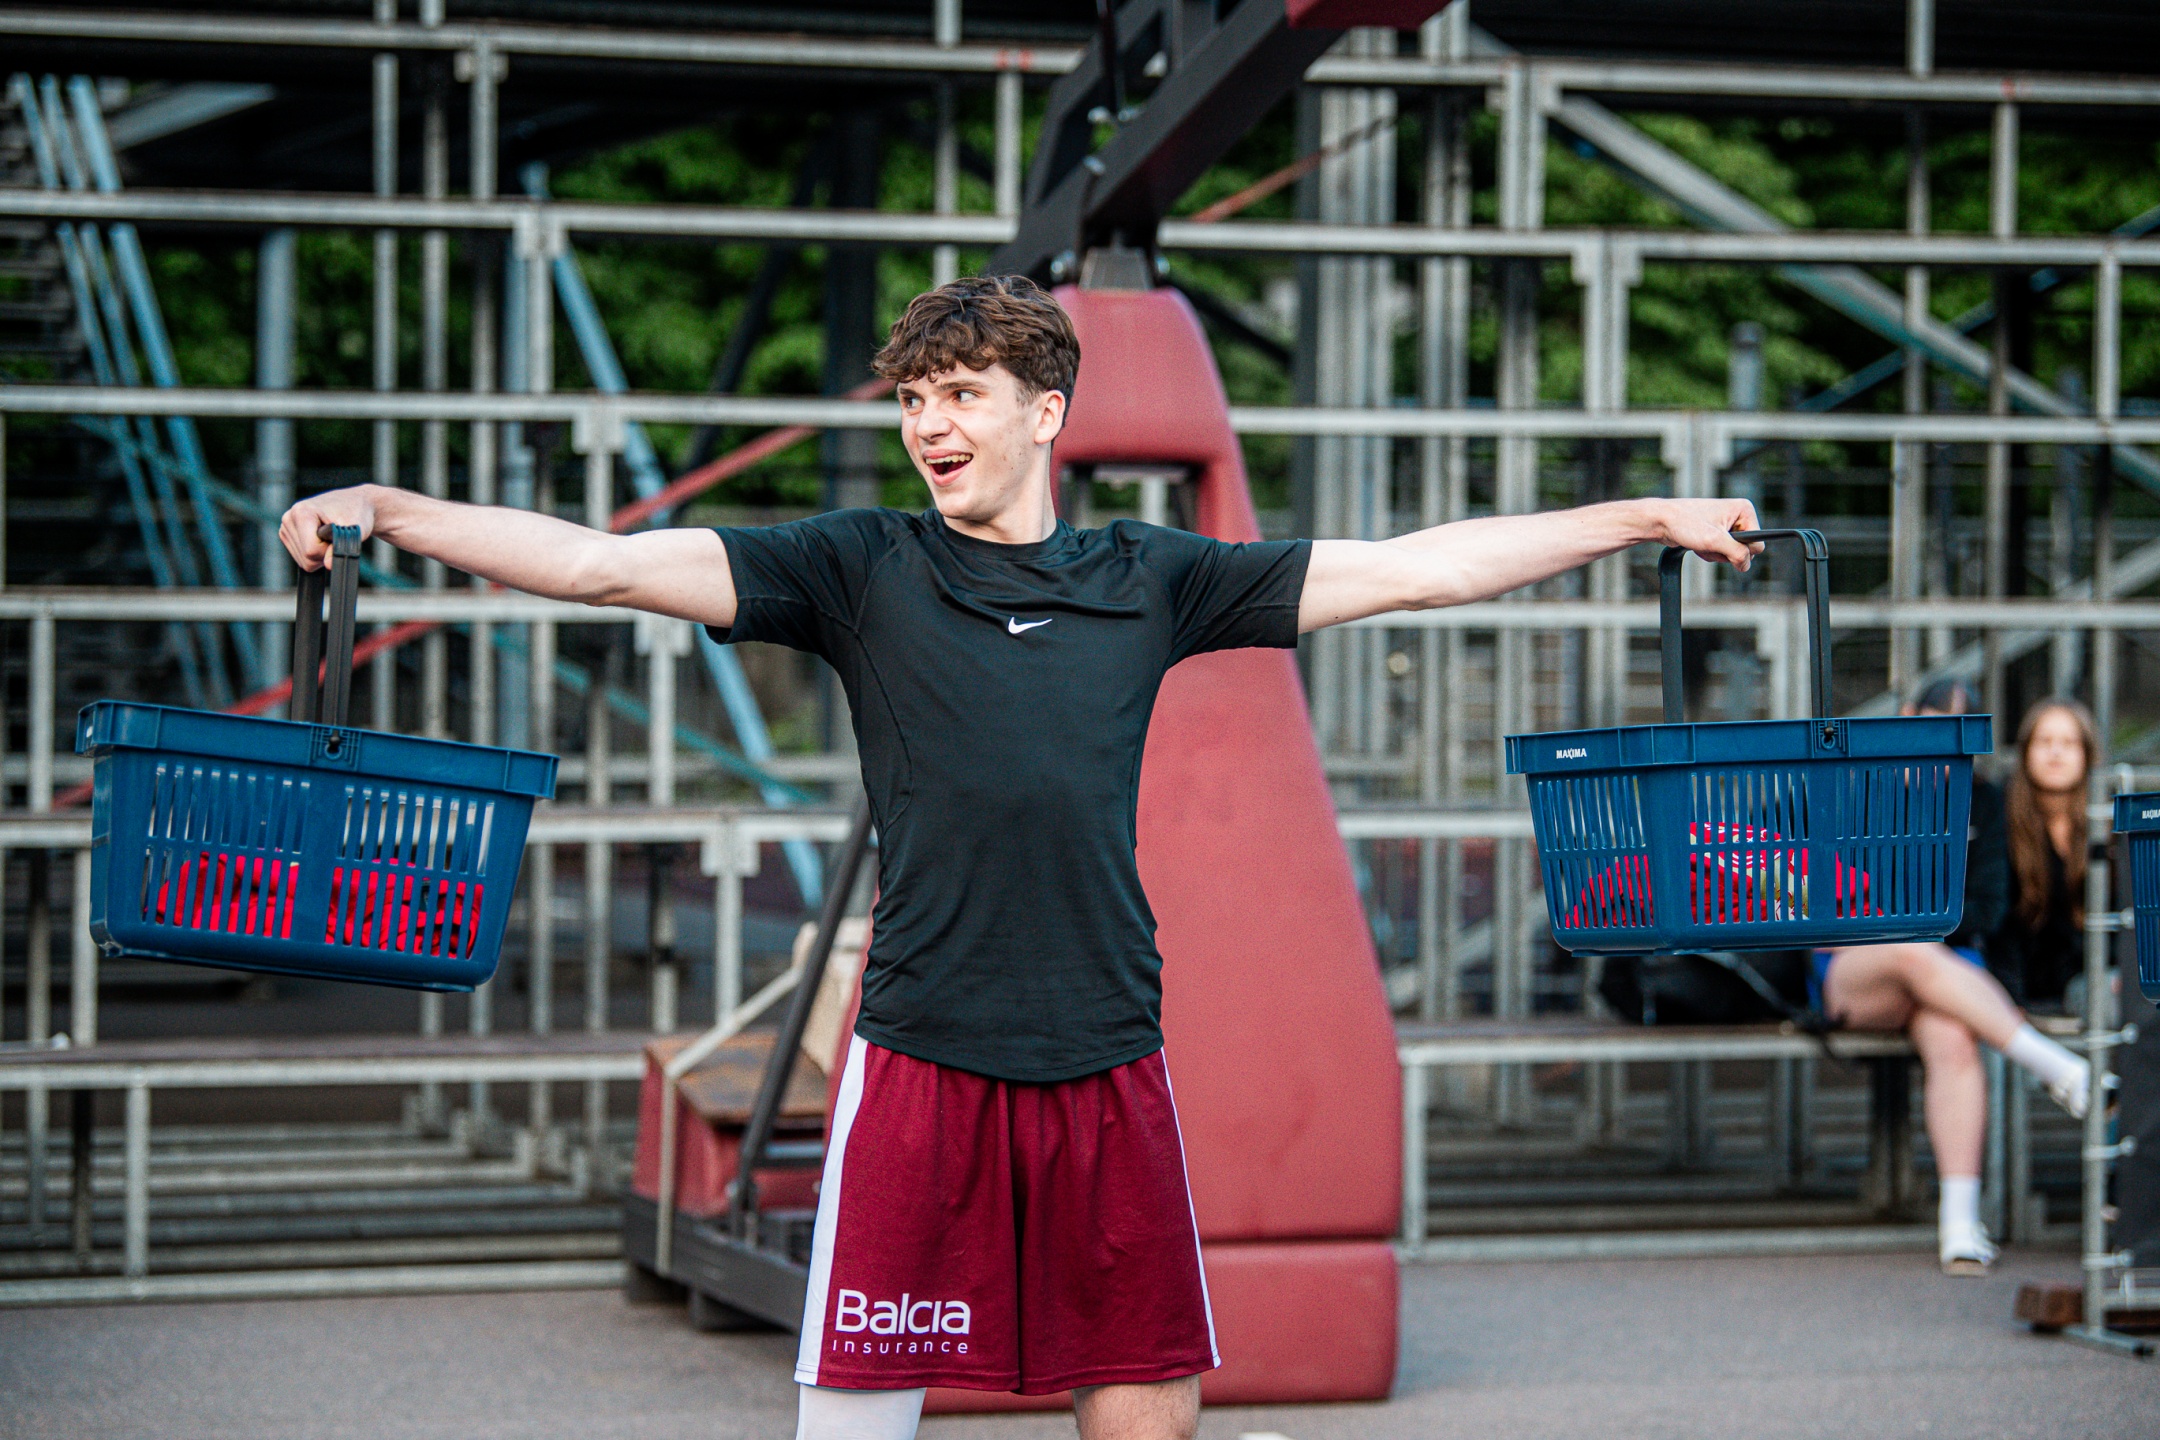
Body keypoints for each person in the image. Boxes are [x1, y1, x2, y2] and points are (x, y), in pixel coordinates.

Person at [279, 275, 1764, 1440]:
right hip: (921, 1051)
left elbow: (1421, 570)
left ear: (1046, 411)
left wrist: (1645, 517)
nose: (931, 425)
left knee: (1147, 1401)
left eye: (962, 395)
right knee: (857, 1407)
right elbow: (601, 566)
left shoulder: (1151, 577)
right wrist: (389, 512)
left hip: (1107, 1046)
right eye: (914, 400)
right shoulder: (859, 568)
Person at [1816, 692, 2094, 1277]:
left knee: (1951, 1033)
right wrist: (1911, 921)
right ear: (1904, 723)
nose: (1942, 746)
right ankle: (2058, 1069)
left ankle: (1960, 1225)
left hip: (1944, 976)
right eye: (1930, 729)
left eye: (1955, 733)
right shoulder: (1857, 788)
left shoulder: (1982, 800)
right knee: (1914, 948)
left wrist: (1905, 917)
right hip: (1857, 974)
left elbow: (1988, 907)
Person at [1989, 699, 2101, 1012]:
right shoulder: (2001, 816)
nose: (2056, 752)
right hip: (2012, 986)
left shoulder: (2107, 823)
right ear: (2025, 751)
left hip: (2091, 983)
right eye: (2044, 741)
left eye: (2069, 743)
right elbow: (2000, 929)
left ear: (2087, 754)